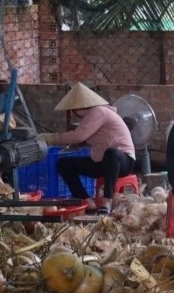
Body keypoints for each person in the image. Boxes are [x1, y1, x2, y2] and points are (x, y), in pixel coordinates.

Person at [41, 83, 136, 214]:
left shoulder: (99, 111)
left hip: (123, 161)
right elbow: (85, 138)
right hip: (102, 162)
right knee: (64, 164)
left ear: (76, 108)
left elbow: (79, 136)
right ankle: (86, 200)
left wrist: (52, 138)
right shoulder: (92, 116)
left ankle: (107, 202)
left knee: (111, 154)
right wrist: (73, 145)